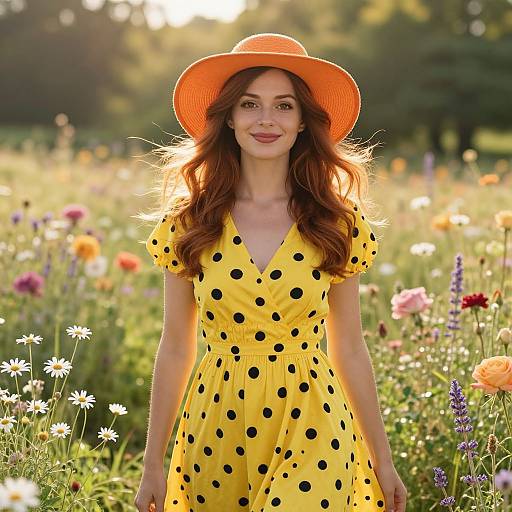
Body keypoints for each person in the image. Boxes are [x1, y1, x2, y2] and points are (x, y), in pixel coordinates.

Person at [135, 33, 407, 512]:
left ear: (304, 122)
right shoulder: (190, 221)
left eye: (284, 106)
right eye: (249, 104)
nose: (266, 120)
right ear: (230, 118)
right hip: (217, 424)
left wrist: (382, 461)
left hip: (313, 419)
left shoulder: (336, 221)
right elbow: (176, 344)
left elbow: (349, 346)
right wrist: (152, 463)